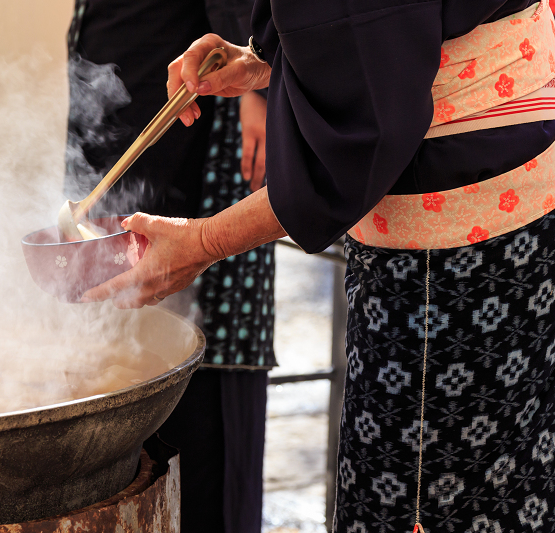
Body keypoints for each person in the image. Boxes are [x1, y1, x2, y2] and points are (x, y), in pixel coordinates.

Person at [82, 1, 555, 531]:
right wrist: (265, 59)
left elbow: (360, 137)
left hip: (457, 250)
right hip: (493, 200)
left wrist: (202, 241)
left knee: (423, 501)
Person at [65, 1, 275, 532]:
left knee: (197, 360)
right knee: (113, 349)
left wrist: (258, 86)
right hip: (129, 76)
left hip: (198, 103)